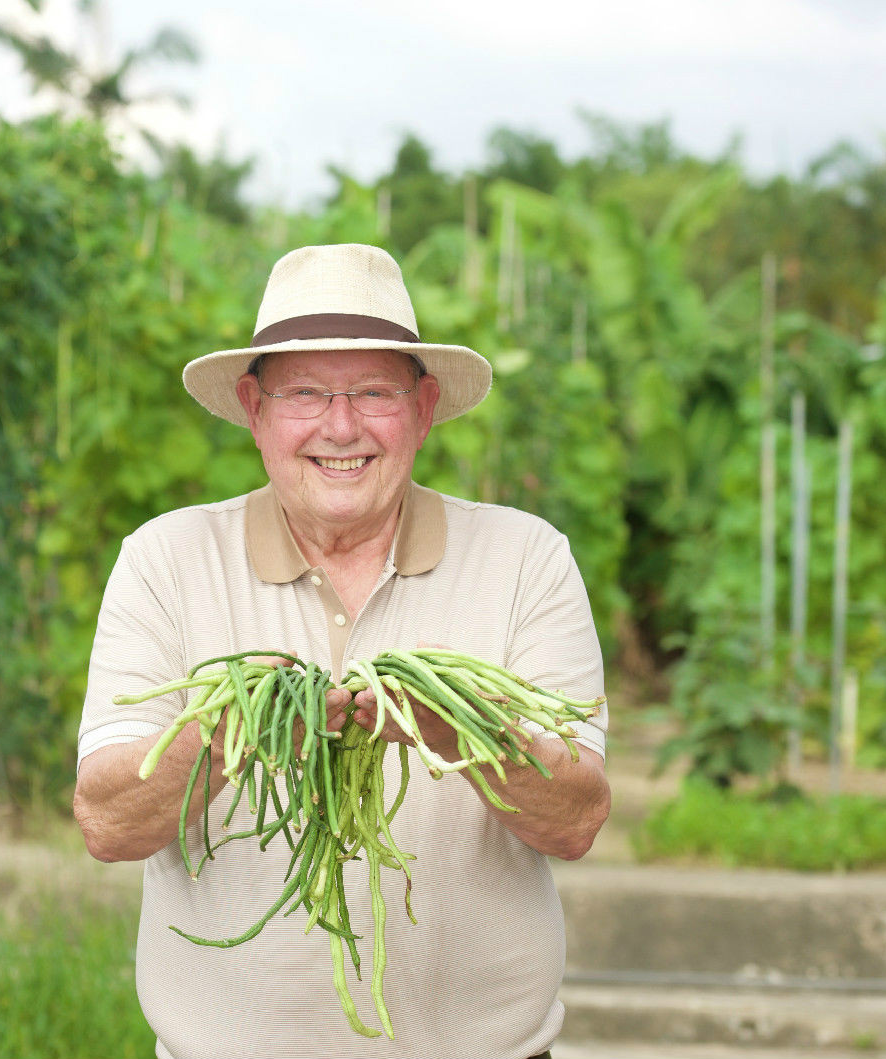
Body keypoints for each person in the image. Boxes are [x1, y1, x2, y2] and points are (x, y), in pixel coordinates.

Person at [73, 243, 610, 1059]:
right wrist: (236, 728)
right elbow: (105, 820)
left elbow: (577, 817)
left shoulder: (526, 557)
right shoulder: (166, 559)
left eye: (373, 392)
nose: (341, 425)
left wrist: (454, 728)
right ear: (254, 408)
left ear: (424, 407)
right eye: (305, 393)